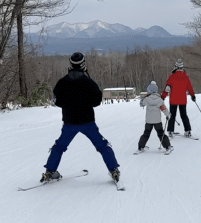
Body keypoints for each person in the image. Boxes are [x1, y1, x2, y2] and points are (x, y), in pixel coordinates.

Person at [41, 52, 121, 183]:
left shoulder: (62, 82)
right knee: (102, 145)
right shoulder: (89, 82)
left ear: (70, 64)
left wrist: (68, 105)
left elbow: (56, 101)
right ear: (83, 64)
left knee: (59, 146)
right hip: (87, 121)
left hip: (69, 122)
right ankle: (114, 170)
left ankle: (49, 171)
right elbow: (97, 101)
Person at [161, 59, 196, 137]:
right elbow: (189, 88)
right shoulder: (185, 77)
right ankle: (188, 131)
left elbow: (167, 88)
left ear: (176, 67)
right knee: (184, 115)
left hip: (173, 100)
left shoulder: (171, 77)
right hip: (182, 100)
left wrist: (163, 96)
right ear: (182, 67)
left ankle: (170, 131)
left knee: (172, 115)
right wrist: (192, 96)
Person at [136, 81, 172, 152]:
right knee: (161, 133)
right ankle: (167, 146)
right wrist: (168, 115)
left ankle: (140, 147)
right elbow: (163, 108)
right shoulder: (159, 100)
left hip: (148, 121)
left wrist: (142, 99)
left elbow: (141, 104)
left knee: (146, 134)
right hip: (157, 121)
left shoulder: (147, 99)